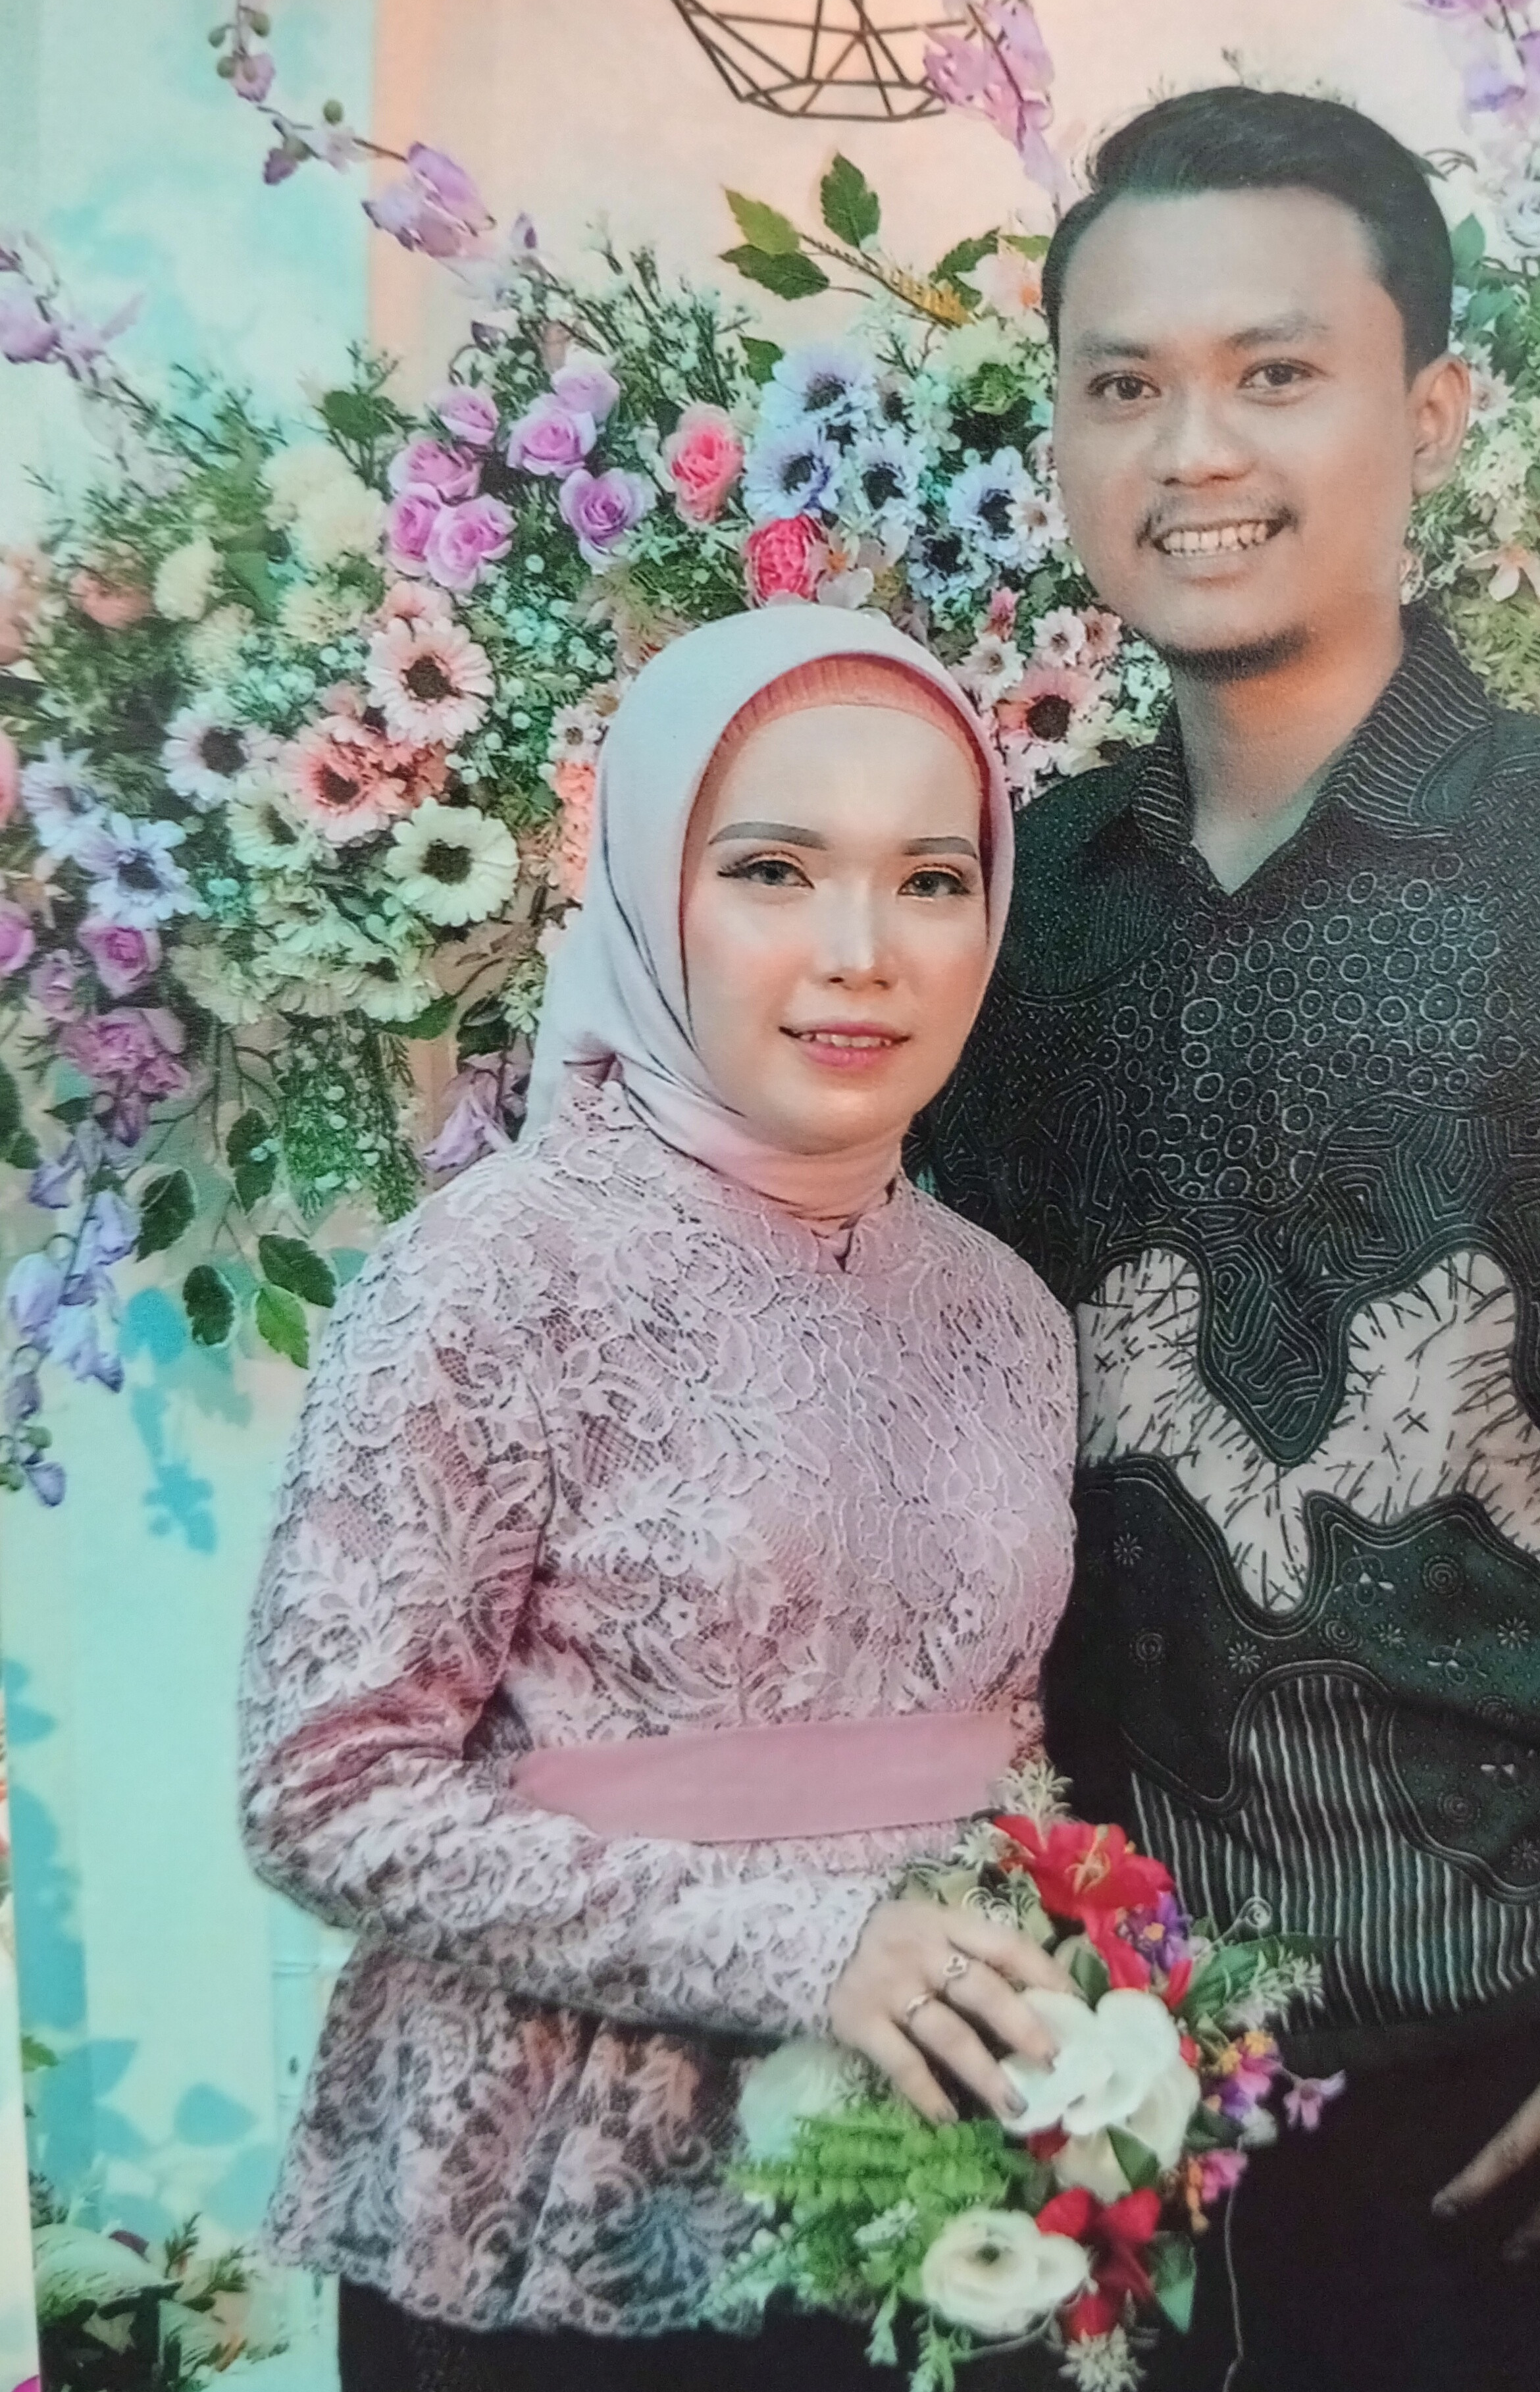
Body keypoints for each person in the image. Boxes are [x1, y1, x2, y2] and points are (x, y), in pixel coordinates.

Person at [915, 88, 1540, 2391]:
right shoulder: (1008, 898)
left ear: (1435, 413)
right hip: (1053, 2038)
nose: (1195, 447)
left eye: (1276, 370)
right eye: (1123, 383)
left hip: (1498, 2045)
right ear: (1066, 437)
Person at [239, 606, 1077, 2391]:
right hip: (561, 2199)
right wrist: (806, 1944)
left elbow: (1003, 1746)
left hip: (933, 2186)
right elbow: (326, 1792)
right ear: (648, 890)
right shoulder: (494, 1273)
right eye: (774, 869)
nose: (862, 955)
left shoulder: (1008, 1310)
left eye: (932, 882)